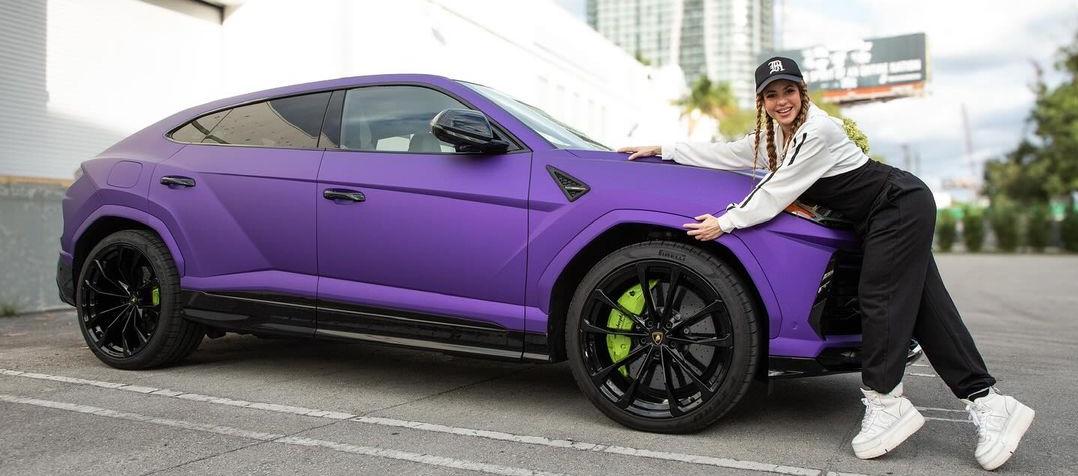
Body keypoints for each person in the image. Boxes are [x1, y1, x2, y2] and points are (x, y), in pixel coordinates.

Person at [618, 56, 1034, 471]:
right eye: (772, 95)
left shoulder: (817, 130)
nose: (782, 101)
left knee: (880, 298)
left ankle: (886, 403)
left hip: (897, 205)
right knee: (928, 311)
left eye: (789, 91)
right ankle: (991, 403)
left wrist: (725, 223)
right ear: (762, 101)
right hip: (885, 213)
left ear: (802, 92)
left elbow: (777, 191)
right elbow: (726, 153)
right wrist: (664, 149)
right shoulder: (775, 138)